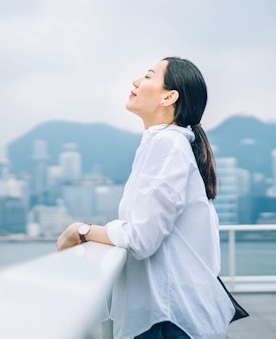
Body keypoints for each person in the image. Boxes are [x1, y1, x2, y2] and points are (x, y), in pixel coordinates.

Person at [56, 56, 234, 338]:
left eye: (149, 76)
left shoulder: (166, 144)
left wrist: (82, 230)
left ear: (169, 97)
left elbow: (141, 239)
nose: (136, 81)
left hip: (169, 318)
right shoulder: (165, 143)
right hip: (171, 312)